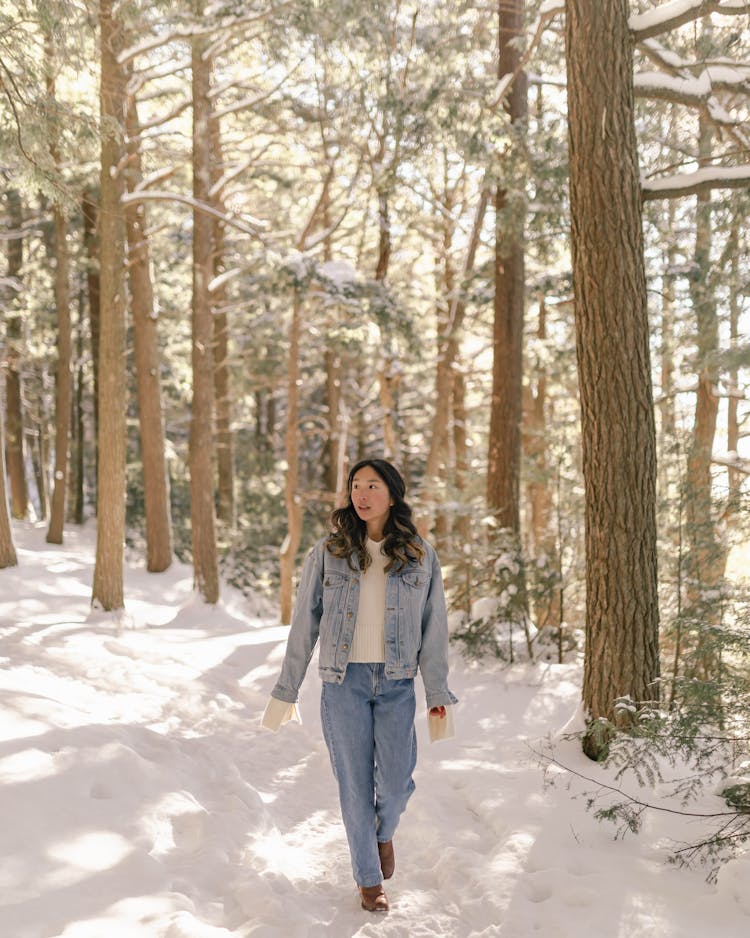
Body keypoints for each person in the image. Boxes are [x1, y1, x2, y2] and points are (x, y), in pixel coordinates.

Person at [261, 457, 457, 913]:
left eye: (372, 485)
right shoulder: (328, 552)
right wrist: (285, 691)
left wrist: (438, 695)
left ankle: (382, 832)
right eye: (355, 485)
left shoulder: (419, 555)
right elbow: (304, 626)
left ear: (392, 494)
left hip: (395, 682)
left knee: (394, 782)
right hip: (342, 682)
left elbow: (435, 629)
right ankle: (369, 880)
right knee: (353, 784)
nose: (362, 494)